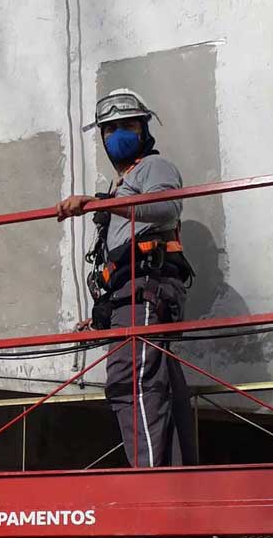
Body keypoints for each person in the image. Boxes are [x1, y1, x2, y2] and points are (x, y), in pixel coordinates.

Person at [56, 88, 197, 468]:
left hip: (145, 289)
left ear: (144, 129)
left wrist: (101, 203)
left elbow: (167, 206)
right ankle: (178, 477)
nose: (116, 134)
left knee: (130, 381)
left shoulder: (154, 167)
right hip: (130, 295)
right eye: (110, 128)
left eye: (126, 125)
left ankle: (153, 479)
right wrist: (105, 310)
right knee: (156, 379)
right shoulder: (123, 184)